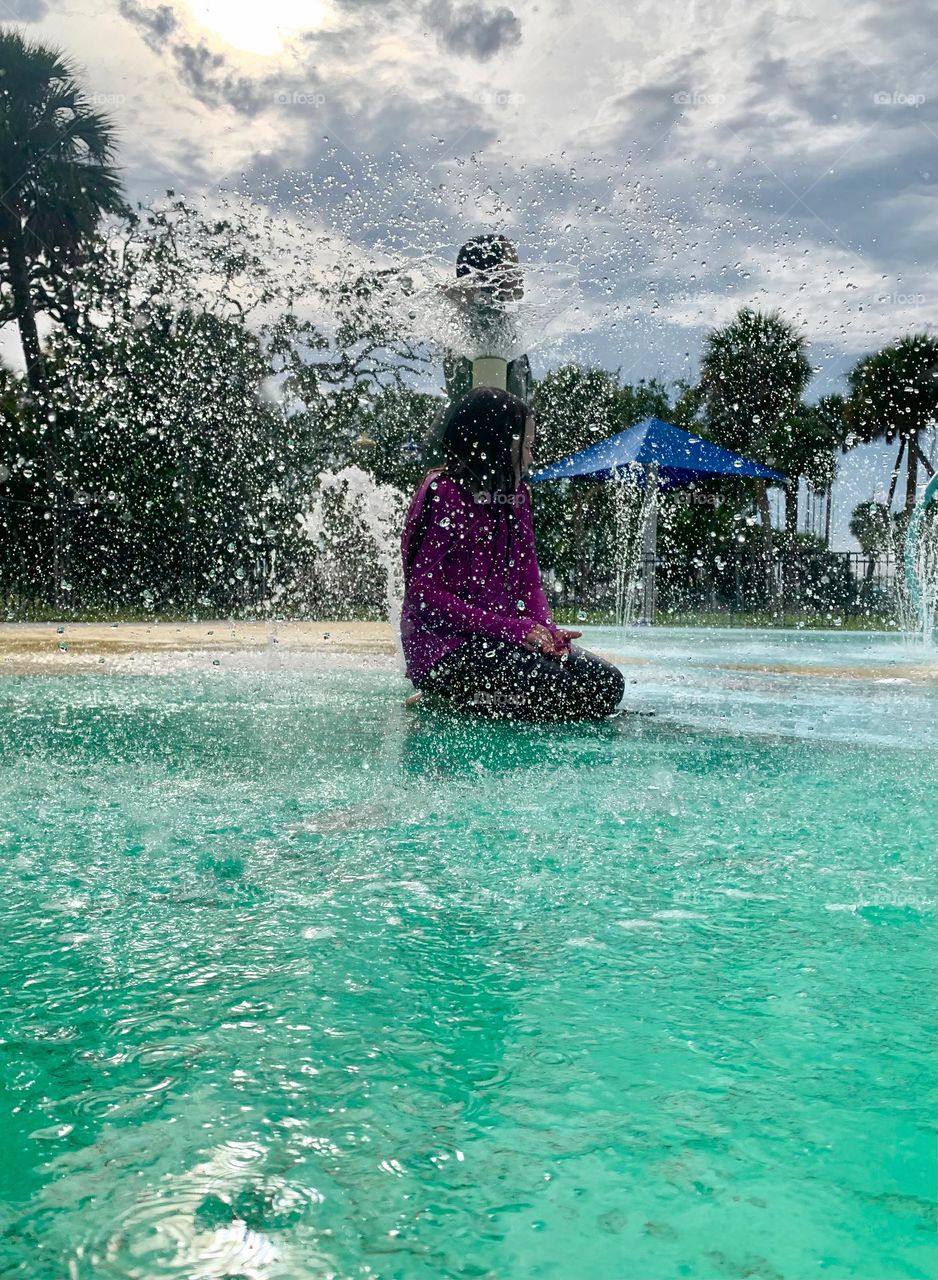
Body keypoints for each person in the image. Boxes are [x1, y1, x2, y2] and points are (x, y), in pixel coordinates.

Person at [400, 387, 625, 722]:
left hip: (500, 639)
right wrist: (512, 629)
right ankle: (447, 692)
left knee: (608, 685)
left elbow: (528, 583)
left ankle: (473, 697)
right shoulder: (443, 492)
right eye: (527, 446)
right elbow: (424, 595)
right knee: (562, 693)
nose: (531, 457)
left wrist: (548, 632)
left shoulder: (517, 497)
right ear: (495, 444)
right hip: (446, 650)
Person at [423, 235, 532, 466]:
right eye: (511, 267)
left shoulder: (493, 323)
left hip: (475, 452)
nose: (520, 274)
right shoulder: (482, 321)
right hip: (469, 456)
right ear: (488, 275)